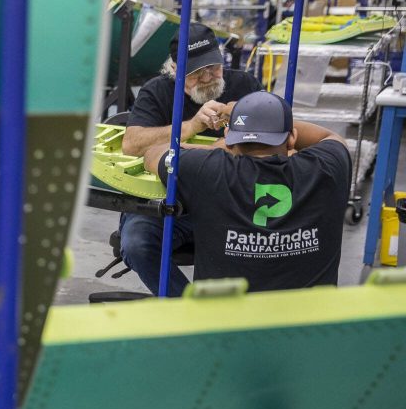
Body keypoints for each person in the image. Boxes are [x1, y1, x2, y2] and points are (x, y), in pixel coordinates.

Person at [141, 91, 351, 292]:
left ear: (228, 138)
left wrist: (217, 146)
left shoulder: (205, 170)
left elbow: (153, 153)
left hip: (226, 324)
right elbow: (329, 136)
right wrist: (265, 119)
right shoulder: (327, 167)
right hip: (312, 326)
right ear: (292, 138)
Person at [119, 22, 264, 296]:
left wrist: (219, 143)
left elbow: (273, 143)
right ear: (174, 70)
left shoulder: (245, 85)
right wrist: (192, 126)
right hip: (171, 203)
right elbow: (131, 144)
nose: (208, 76)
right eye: (196, 72)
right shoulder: (157, 92)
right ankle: (188, 311)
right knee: (137, 243)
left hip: (230, 202)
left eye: (213, 66)